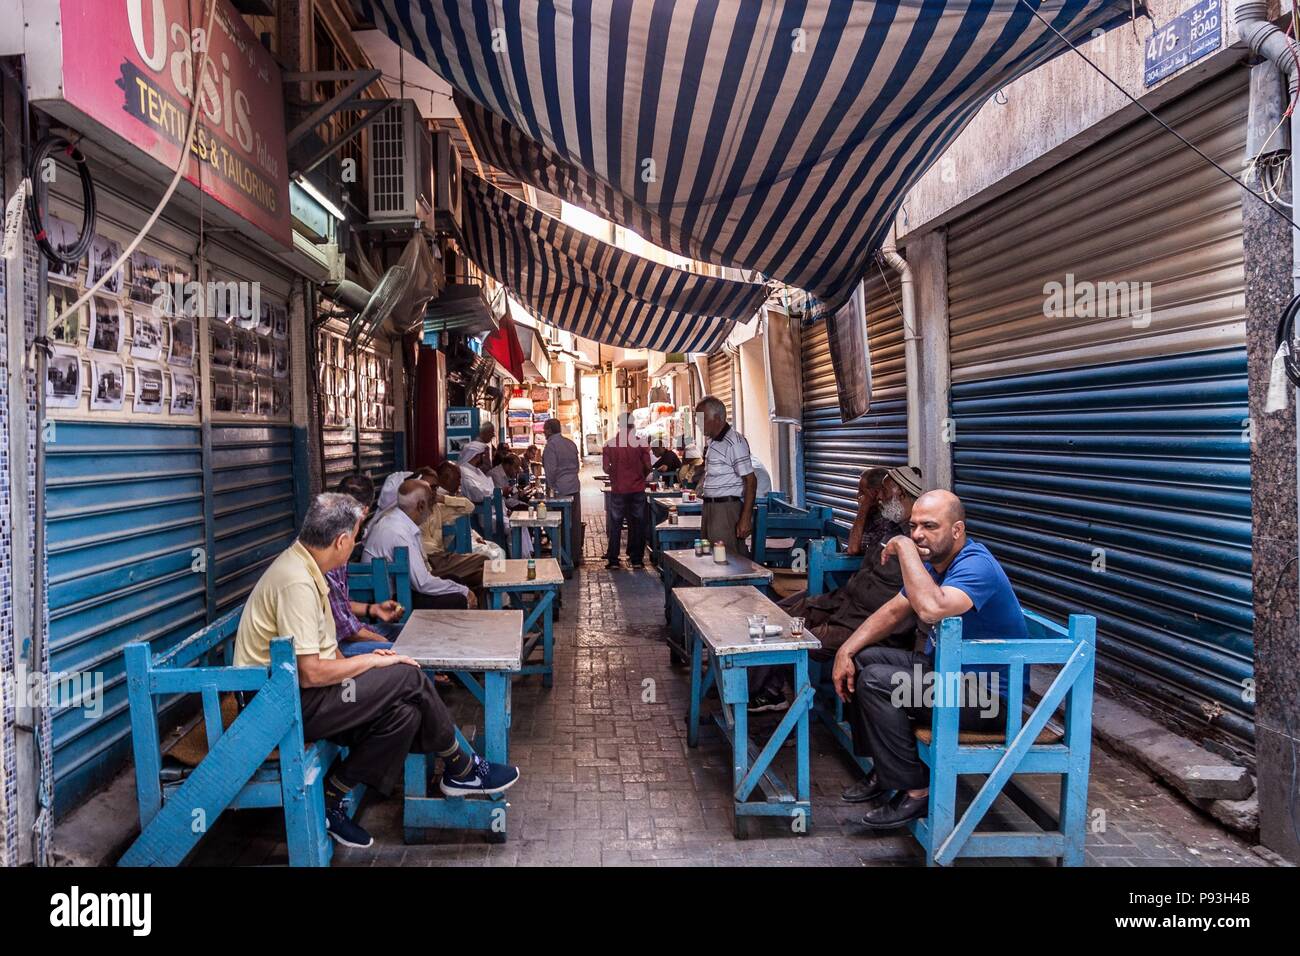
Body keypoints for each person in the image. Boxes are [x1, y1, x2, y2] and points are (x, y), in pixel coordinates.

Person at [233, 493, 519, 848]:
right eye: (354, 537)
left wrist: (371, 668)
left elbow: (327, 648)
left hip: (295, 695)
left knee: (406, 712)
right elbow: (310, 673)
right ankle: (461, 767)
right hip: (275, 706)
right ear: (340, 541)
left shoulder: (307, 567)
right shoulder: (297, 581)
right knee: (408, 676)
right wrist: (374, 662)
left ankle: (333, 797)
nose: (354, 544)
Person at [831, 489, 1029, 829]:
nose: (919, 534)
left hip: (987, 700)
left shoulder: (975, 564)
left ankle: (917, 792)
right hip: (949, 677)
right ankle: (885, 767)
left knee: (878, 682)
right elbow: (894, 611)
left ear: (957, 530)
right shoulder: (937, 565)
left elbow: (931, 607)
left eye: (930, 526)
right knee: (863, 660)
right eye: (913, 526)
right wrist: (845, 650)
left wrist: (905, 548)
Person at [748, 465, 923, 716]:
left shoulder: (917, 540)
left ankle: (775, 702)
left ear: (902, 496)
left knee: (791, 639)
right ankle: (756, 690)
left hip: (863, 622)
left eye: (884, 493)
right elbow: (857, 549)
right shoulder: (891, 527)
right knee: (777, 617)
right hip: (844, 602)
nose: (880, 499)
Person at [364, 478, 477, 609]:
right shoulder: (398, 532)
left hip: (400, 589)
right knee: (458, 599)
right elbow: (421, 583)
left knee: (453, 580)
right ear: (421, 506)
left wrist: (458, 588)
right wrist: (464, 591)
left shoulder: (397, 521)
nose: (432, 508)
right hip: (389, 600)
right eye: (431, 503)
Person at [327, 475, 406, 657]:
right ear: (365, 510)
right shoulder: (331, 547)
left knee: (410, 633)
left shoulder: (340, 542)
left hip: (347, 634)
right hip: (336, 645)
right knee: (404, 650)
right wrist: (385, 644)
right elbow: (346, 631)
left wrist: (373, 609)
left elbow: (338, 606)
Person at [695, 395, 757, 557]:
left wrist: (745, 517)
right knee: (709, 558)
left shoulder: (734, 442)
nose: (698, 423)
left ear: (716, 418)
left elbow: (750, 480)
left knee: (727, 559)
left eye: (702, 419)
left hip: (726, 510)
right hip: (711, 508)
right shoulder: (714, 442)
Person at [413, 462, 488, 589]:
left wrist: (442, 498)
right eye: (426, 487)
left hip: (442, 558)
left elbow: (469, 507)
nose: (430, 491)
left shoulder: (438, 508)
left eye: (434, 487)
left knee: (484, 566)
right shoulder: (411, 510)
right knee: (483, 570)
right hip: (427, 561)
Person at [602, 413, 652, 569]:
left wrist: (615, 475)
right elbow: (648, 467)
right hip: (637, 489)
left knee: (616, 524)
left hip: (618, 490)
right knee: (637, 523)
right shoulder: (641, 444)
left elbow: (605, 468)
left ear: (619, 424)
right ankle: (636, 559)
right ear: (633, 425)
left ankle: (614, 560)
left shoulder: (610, 445)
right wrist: (640, 477)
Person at [542, 418, 583, 566]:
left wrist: (551, 487)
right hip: (574, 487)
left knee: (561, 523)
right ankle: (575, 555)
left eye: (545, 429)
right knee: (575, 522)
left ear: (550, 430)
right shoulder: (570, 443)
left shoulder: (551, 446)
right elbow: (577, 466)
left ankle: (564, 556)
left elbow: (550, 471)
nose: (543, 432)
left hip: (561, 490)